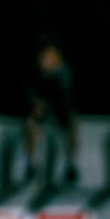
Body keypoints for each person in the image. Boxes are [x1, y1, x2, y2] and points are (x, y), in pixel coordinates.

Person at [22, 41, 78, 186]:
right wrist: (38, 104)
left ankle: (70, 164)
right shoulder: (34, 74)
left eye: (50, 57)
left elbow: (66, 100)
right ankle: (31, 163)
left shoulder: (64, 74)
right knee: (30, 123)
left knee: (73, 124)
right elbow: (29, 95)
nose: (46, 60)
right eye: (44, 57)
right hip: (41, 115)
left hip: (61, 114)